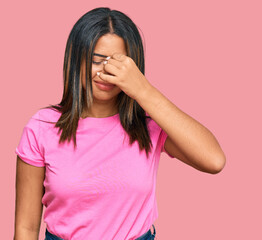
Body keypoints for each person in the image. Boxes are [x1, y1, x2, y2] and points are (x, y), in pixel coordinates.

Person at [13, 7, 226, 240]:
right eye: (96, 60)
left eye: (118, 64)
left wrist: (143, 90)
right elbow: (26, 227)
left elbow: (214, 160)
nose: (105, 71)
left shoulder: (149, 125)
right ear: (76, 59)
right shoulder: (41, 127)